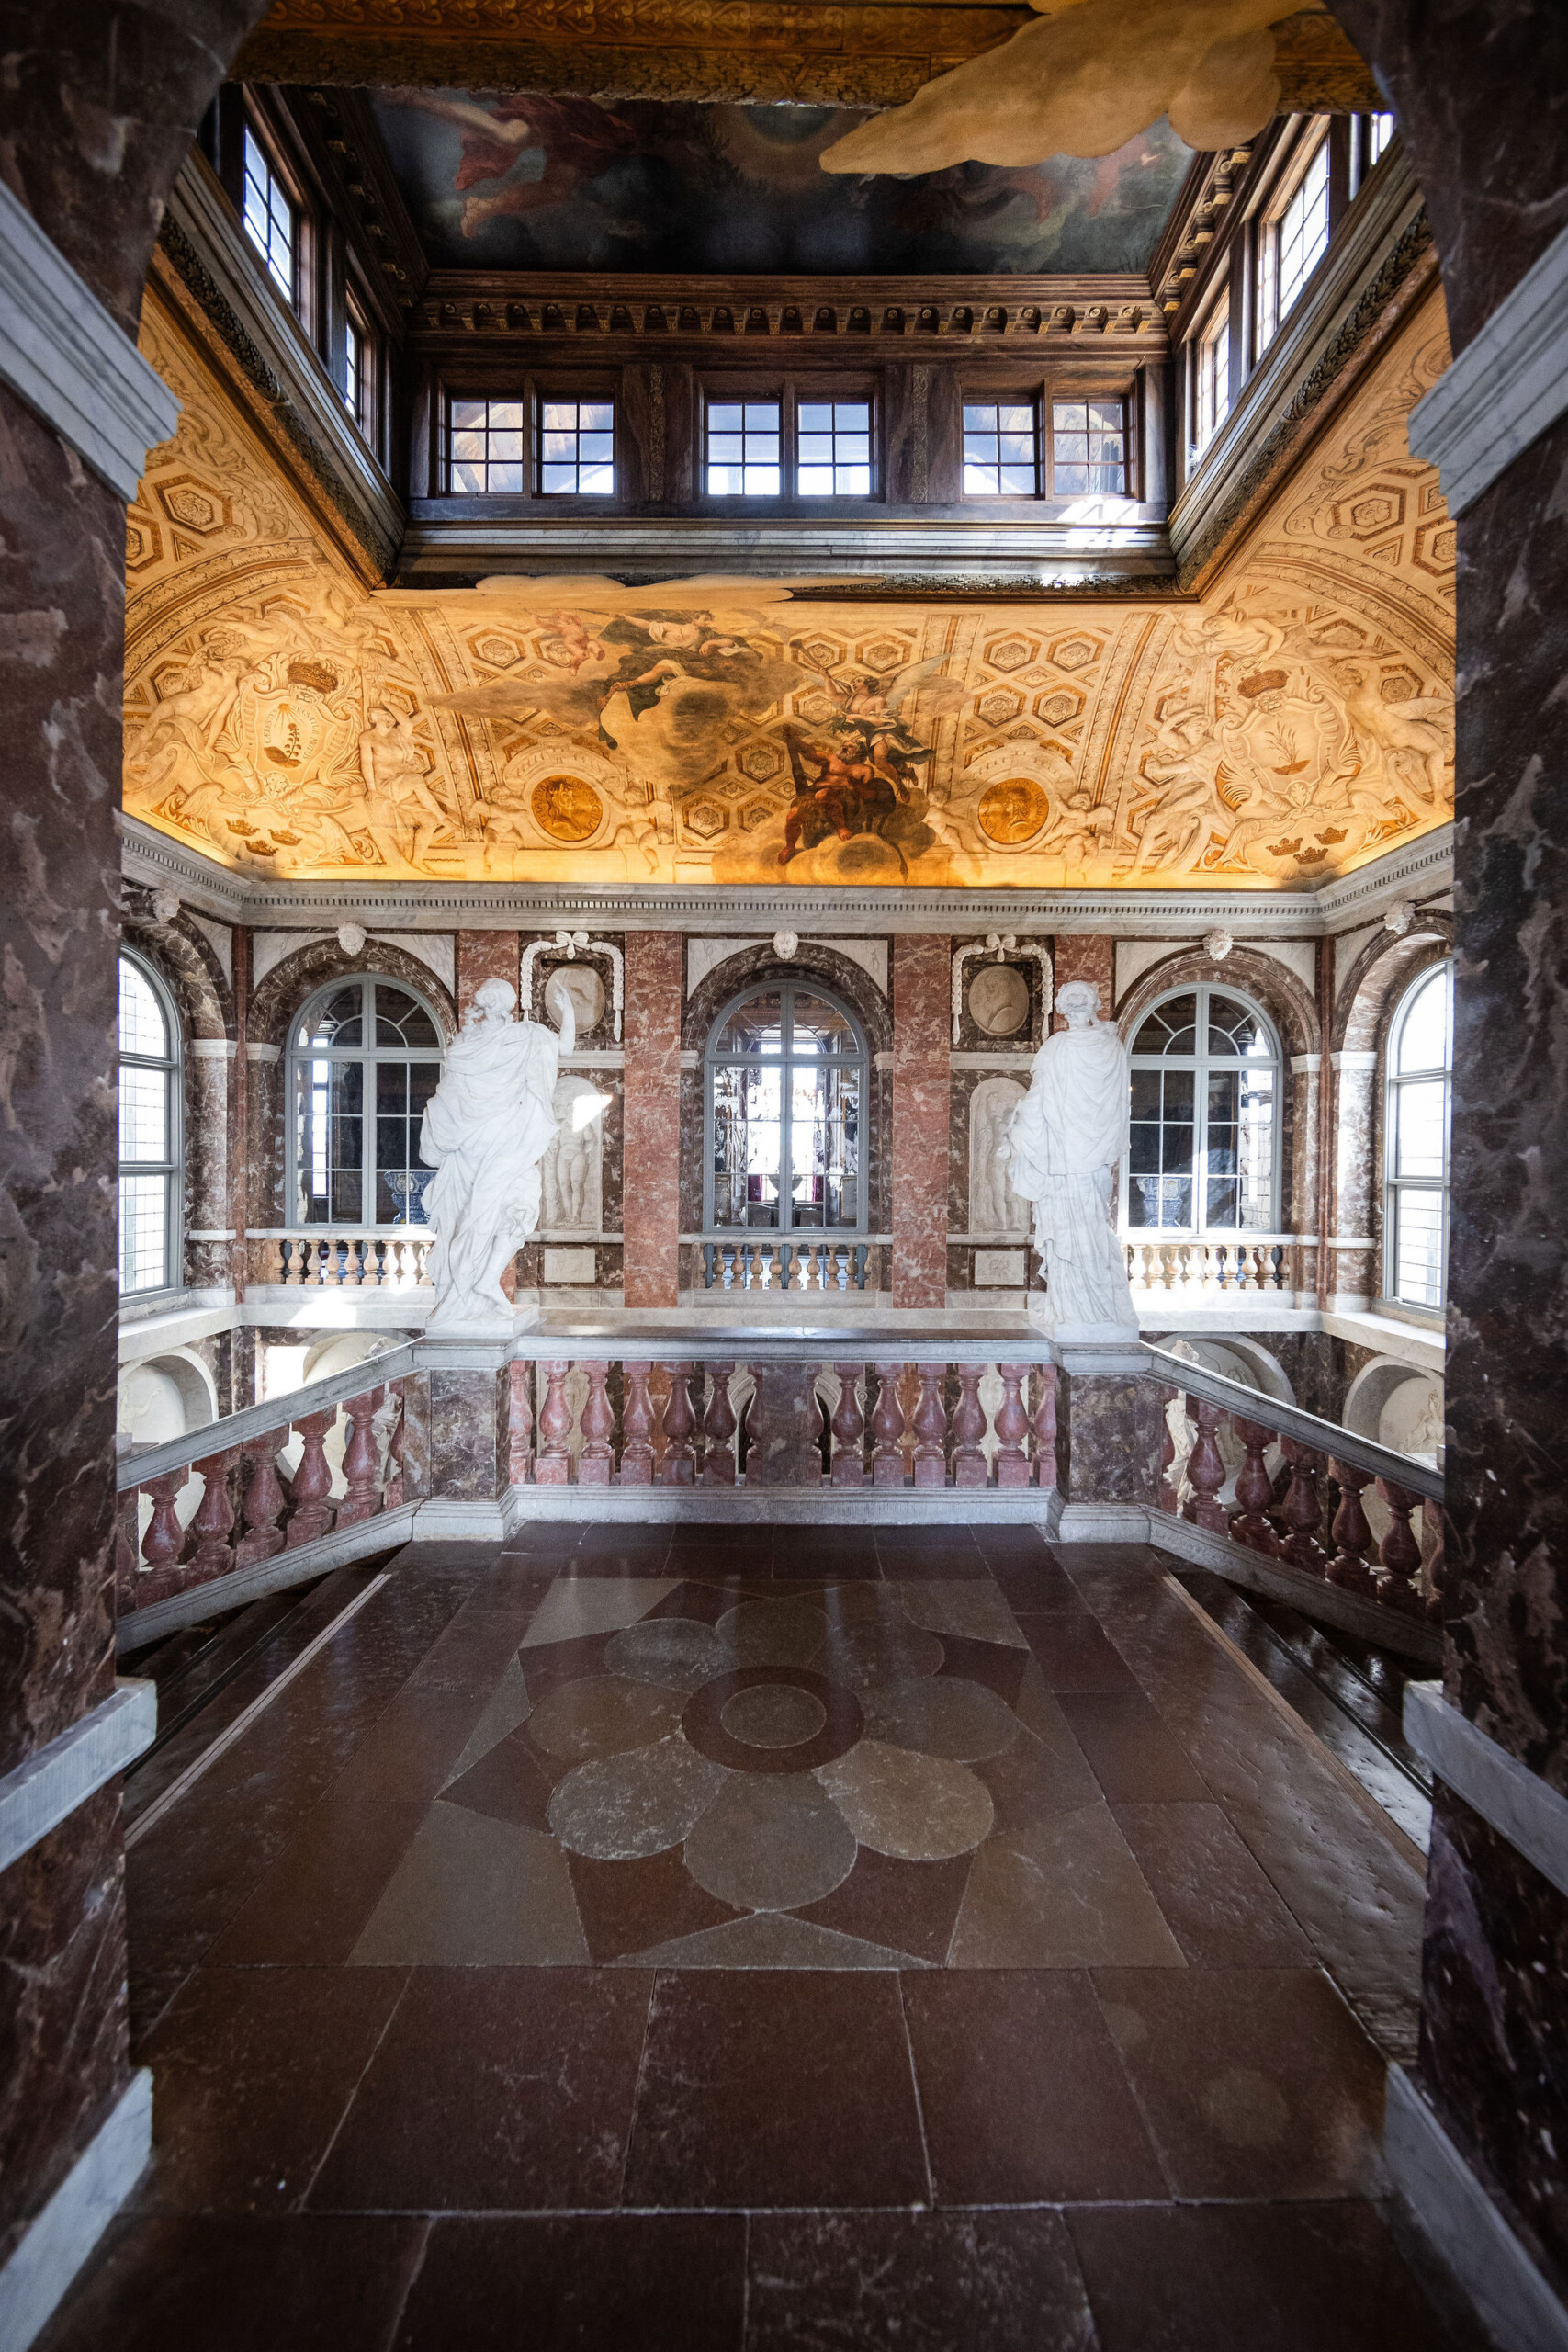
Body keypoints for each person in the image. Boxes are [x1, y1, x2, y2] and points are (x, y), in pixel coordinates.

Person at [419, 975, 574, 1329]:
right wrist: (568, 1014)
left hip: (485, 1144)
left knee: (506, 1208)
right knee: (512, 1208)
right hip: (500, 1142)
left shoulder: (467, 1046)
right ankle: (472, 1287)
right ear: (507, 1006)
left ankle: (484, 1281)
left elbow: (447, 1105)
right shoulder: (526, 1036)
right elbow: (565, 1047)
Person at [999, 978, 1139, 1338]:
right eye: (1070, 1000)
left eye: (1082, 999)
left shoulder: (1111, 1048)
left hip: (1091, 1160)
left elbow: (1116, 1106)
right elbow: (1040, 1095)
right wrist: (1016, 1135)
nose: (1076, 1005)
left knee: (1092, 1226)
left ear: (1094, 1004)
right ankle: (1069, 1304)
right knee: (1065, 1230)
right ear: (1062, 1007)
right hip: (1061, 1156)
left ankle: (1099, 1308)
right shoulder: (1056, 1046)